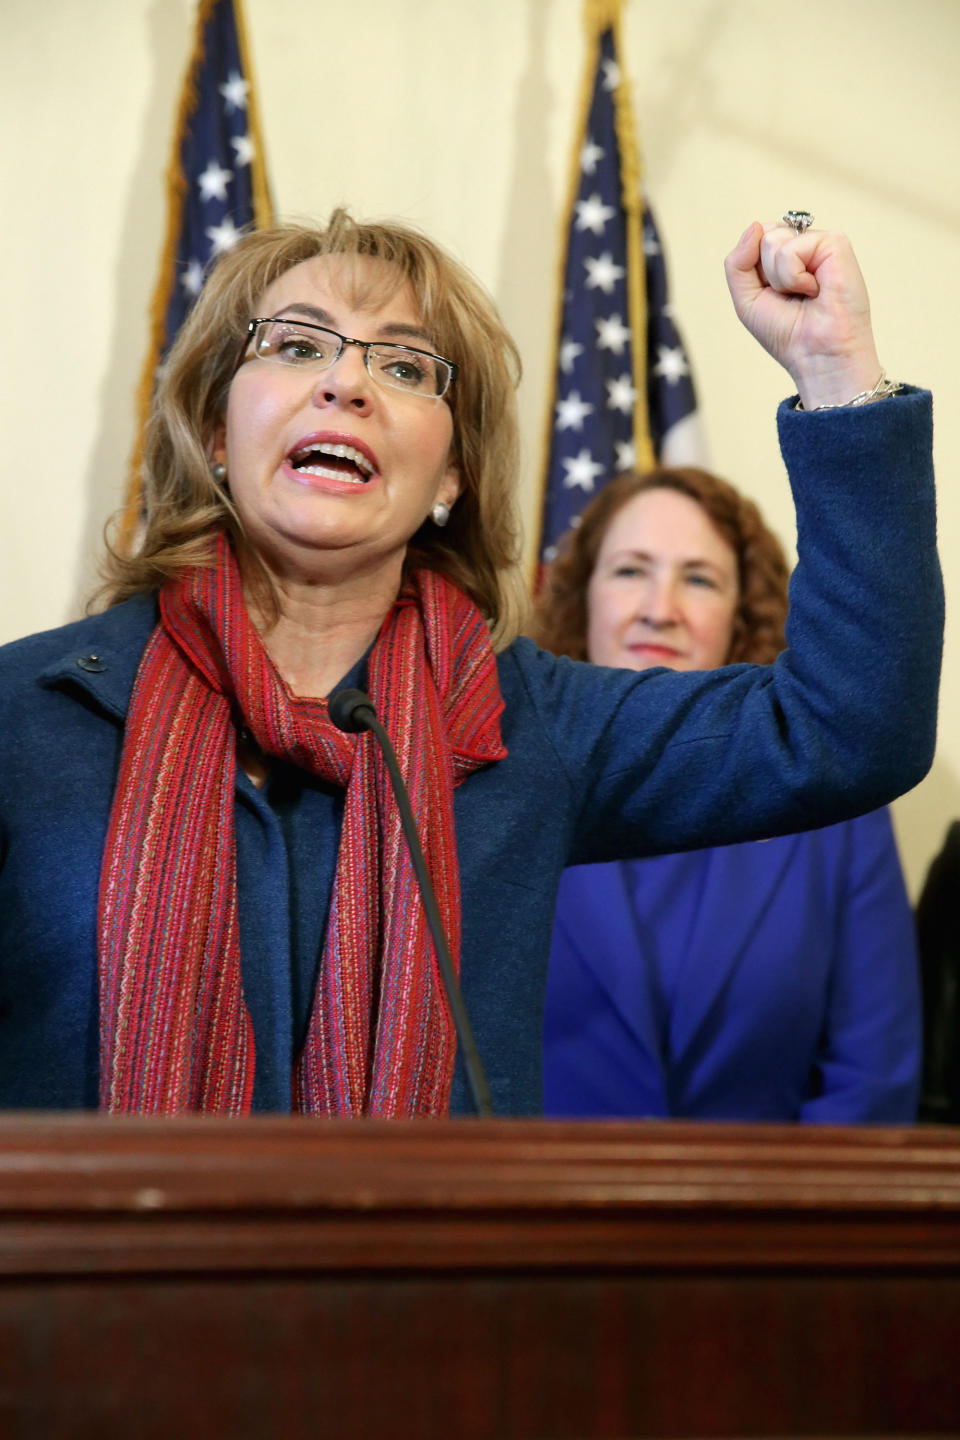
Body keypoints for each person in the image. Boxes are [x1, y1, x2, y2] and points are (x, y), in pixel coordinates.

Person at [0, 211, 942, 1116]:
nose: (344, 384)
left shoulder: (532, 726)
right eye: (296, 345)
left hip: (429, 1283)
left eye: (405, 365)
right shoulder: (28, 715)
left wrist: (833, 370)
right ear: (214, 431)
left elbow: (848, 727)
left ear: (451, 475)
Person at [535, 466, 922, 1122]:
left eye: (699, 578)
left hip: (769, 1220)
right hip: (532, 1215)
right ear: (582, 598)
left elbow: (873, 1077)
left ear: (742, 615)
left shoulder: (840, 810)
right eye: (631, 571)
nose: (660, 608)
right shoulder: (498, 780)